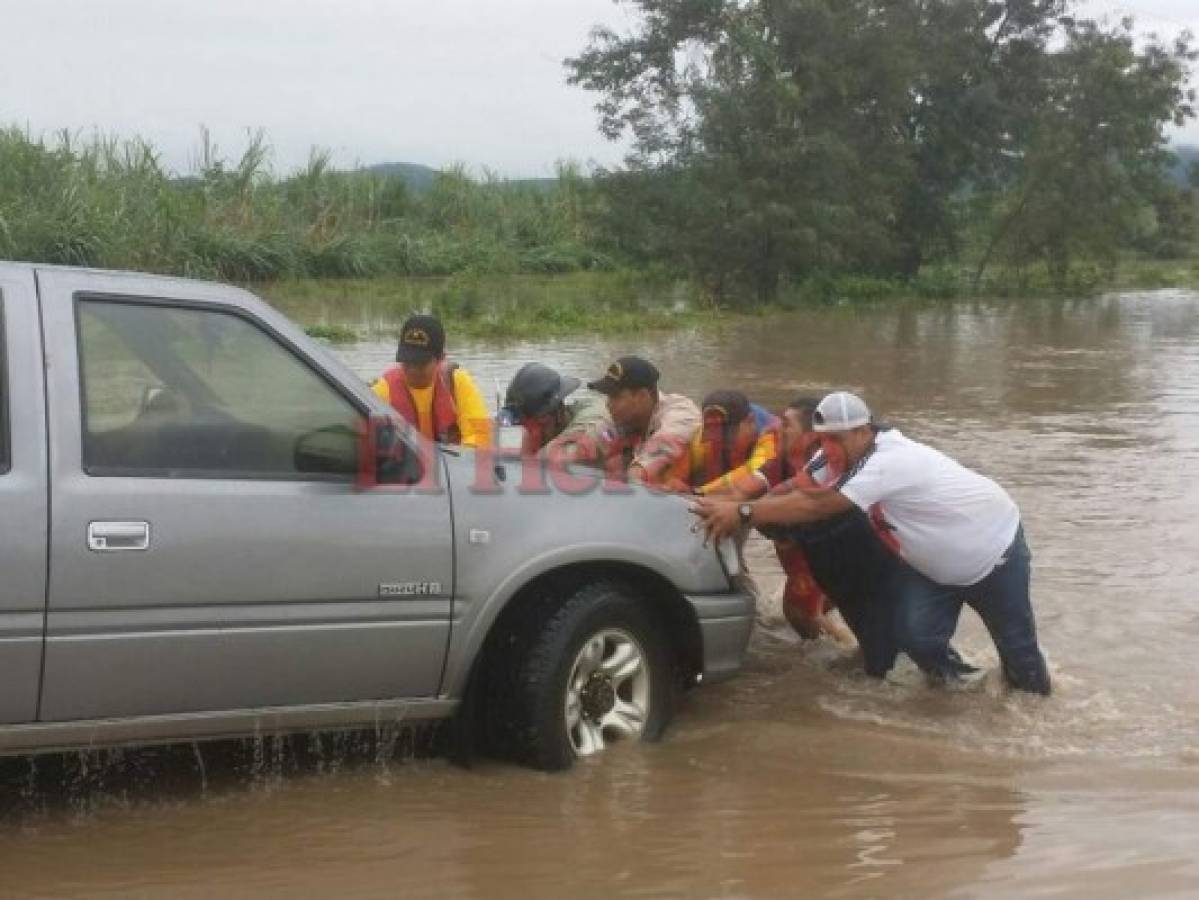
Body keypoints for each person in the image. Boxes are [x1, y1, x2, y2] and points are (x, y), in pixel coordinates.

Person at [694, 391, 1051, 694]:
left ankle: (1036, 723)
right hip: (935, 568)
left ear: (864, 431)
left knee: (1020, 655)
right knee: (917, 639)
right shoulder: (834, 456)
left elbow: (818, 504)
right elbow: (795, 487)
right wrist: (728, 503)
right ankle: (965, 695)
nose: (828, 449)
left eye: (837, 440)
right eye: (823, 440)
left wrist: (742, 513)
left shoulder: (889, 460)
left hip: (994, 550)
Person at [371, 314, 491, 449]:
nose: (412, 370)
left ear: (441, 358)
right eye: (407, 362)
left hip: (452, 466)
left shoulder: (458, 382)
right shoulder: (384, 388)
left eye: (421, 364)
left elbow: (481, 435)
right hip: (405, 468)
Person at [586, 355, 700, 485]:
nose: (608, 404)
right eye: (608, 397)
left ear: (642, 396)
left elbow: (665, 444)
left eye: (615, 397)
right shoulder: (624, 420)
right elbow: (599, 436)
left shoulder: (680, 411)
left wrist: (635, 476)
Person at [664, 389, 780, 496]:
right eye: (713, 434)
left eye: (728, 437)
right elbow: (672, 479)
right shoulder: (698, 438)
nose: (719, 443)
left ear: (749, 422)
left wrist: (698, 492)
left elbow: (756, 472)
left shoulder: (773, 435)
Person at [501, 362, 612, 458]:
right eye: (525, 426)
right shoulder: (538, 431)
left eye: (539, 423)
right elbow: (527, 463)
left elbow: (553, 460)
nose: (532, 432)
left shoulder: (593, 421)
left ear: (558, 413)